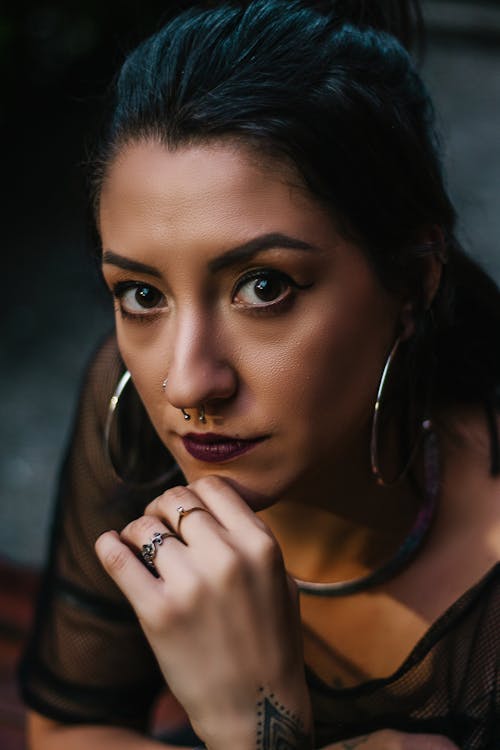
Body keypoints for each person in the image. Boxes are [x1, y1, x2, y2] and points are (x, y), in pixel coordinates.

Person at [19, 1, 500, 748]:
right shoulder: (127, 405)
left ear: (413, 283)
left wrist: (256, 735)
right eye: (143, 294)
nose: (186, 384)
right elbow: (71, 724)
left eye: (263, 287)